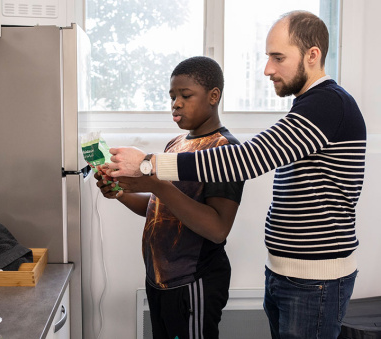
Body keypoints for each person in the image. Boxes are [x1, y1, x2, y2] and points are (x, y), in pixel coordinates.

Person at [105, 11, 366, 339]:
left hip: (314, 281)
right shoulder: (310, 107)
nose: (268, 69)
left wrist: (148, 164)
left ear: (313, 55)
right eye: (267, 57)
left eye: (278, 57)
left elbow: (247, 159)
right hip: (288, 275)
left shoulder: (328, 105)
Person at [95, 56, 245, 338]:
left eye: (185, 95)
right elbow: (158, 209)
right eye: (172, 96)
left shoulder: (226, 151)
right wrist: (120, 193)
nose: (176, 103)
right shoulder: (175, 145)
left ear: (214, 96)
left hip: (192, 282)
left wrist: (157, 184)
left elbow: (217, 229)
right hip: (159, 279)